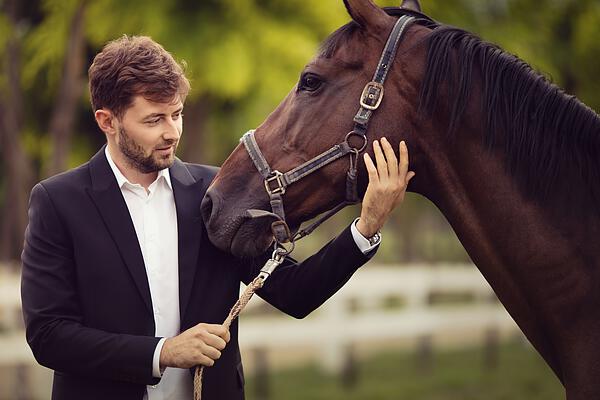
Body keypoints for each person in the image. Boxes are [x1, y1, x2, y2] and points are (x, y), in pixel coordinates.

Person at [20, 35, 415, 400]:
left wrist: (366, 226)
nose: (172, 132)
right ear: (107, 121)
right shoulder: (58, 202)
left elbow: (296, 293)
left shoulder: (215, 196)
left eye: (177, 114)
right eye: (154, 120)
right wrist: (163, 352)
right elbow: (49, 335)